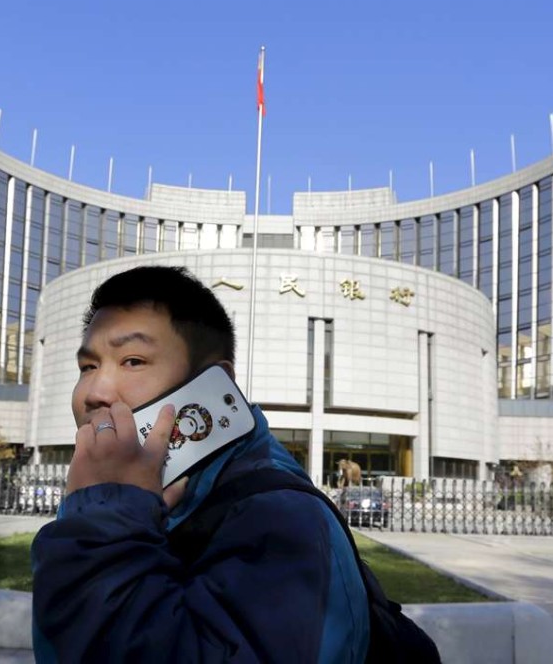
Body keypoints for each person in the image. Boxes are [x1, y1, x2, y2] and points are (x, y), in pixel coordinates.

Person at [31, 265, 369, 663]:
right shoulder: (136, 501)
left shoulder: (283, 521)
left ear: (214, 383)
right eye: (88, 367)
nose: (95, 392)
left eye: (133, 361)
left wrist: (107, 520)